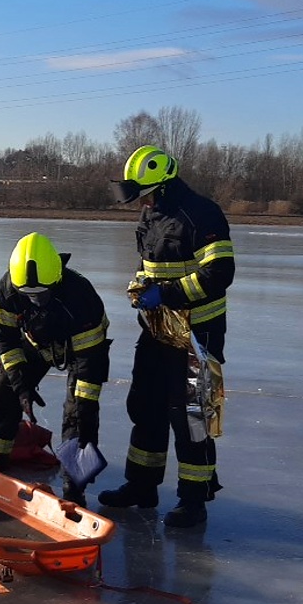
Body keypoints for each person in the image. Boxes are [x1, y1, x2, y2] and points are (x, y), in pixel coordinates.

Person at [98, 146, 235, 529]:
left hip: (198, 334)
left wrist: (168, 294)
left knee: (191, 415)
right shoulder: (152, 215)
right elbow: (150, 264)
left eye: (145, 192)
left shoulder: (201, 213)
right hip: (157, 331)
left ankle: (193, 501)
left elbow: (219, 274)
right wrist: (140, 286)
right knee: (145, 406)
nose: (141, 200)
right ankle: (141, 485)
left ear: (163, 184)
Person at [0, 232, 110, 504]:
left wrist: (83, 405)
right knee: (1, 397)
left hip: (80, 351)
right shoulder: (8, 288)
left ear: (57, 278)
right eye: (28, 295)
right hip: (34, 344)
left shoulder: (81, 296)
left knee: (79, 414)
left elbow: (89, 360)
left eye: (41, 294)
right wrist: (21, 386)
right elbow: (6, 337)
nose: (35, 299)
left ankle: (75, 489)